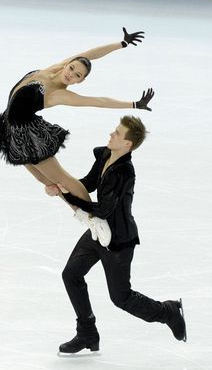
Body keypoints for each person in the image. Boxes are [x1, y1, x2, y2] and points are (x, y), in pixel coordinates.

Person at [50, 115, 187, 354]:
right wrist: (62, 188)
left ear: (128, 144)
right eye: (114, 130)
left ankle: (168, 312)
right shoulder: (105, 154)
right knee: (71, 274)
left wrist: (66, 196)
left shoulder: (125, 172)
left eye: (117, 133)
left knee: (121, 297)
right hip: (98, 231)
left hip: (118, 241)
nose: (111, 134)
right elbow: (90, 183)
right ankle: (87, 333)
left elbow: (103, 208)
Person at [0, 28, 154, 206]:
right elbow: (90, 54)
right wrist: (122, 44)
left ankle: (93, 216)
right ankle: (82, 214)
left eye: (77, 76)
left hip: (26, 136)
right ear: (68, 63)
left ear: (80, 81)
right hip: (9, 128)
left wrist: (134, 104)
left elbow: (99, 101)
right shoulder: (55, 68)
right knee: (47, 181)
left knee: (62, 179)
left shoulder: (60, 94)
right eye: (72, 68)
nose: (71, 74)